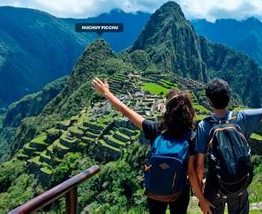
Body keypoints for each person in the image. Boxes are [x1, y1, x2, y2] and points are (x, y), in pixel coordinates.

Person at [91, 78, 213, 214]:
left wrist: (107, 92)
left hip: (155, 191)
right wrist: (201, 199)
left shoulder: (155, 129)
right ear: (188, 112)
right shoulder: (191, 136)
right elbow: (190, 173)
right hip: (179, 191)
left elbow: (126, 111)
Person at [194, 63, 262, 214]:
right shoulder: (242, 118)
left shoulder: (204, 126)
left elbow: (199, 167)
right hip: (239, 185)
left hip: (215, 188)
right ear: (229, 97)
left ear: (209, 101)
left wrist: (201, 197)